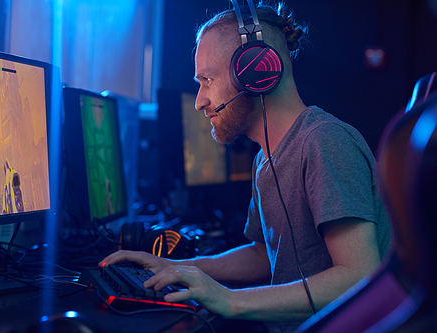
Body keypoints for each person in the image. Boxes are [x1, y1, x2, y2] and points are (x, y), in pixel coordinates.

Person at [100, 2, 391, 332]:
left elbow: (360, 275)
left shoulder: (324, 143)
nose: (199, 101)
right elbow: (264, 255)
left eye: (207, 80)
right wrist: (178, 266)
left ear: (255, 73)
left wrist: (230, 301)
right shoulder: (264, 159)